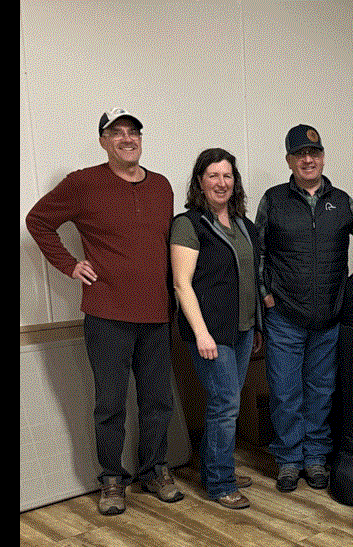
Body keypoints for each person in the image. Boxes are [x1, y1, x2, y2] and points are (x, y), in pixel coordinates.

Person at [26, 107, 183, 515]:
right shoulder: (82, 183)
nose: (127, 138)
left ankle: (154, 471)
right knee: (110, 403)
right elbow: (38, 220)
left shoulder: (162, 186)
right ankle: (112, 480)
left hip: (156, 314)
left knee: (157, 401)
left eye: (134, 131)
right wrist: (69, 265)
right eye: (117, 132)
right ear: (103, 141)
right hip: (107, 312)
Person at [256, 124, 353, 493]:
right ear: (289, 160)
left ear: (322, 157)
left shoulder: (340, 201)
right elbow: (257, 251)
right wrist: (266, 297)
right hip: (285, 317)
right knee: (286, 392)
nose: (308, 160)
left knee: (322, 391)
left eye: (314, 153)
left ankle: (315, 458)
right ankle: (289, 460)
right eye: (300, 155)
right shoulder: (274, 200)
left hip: (329, 316)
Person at [171, 148, 262, 509]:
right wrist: (201, 333)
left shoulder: (243, 224)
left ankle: (215, 466)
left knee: (227, 403)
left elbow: (251, 278)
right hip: (211, 333)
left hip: (242, 329)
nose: (221, 183)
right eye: (213, 176)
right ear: (199, 182)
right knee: (225, 405)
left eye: (227, 176)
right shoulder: (189, 224)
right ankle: (221, 482)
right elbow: (182, 283)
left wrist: (255, 325)